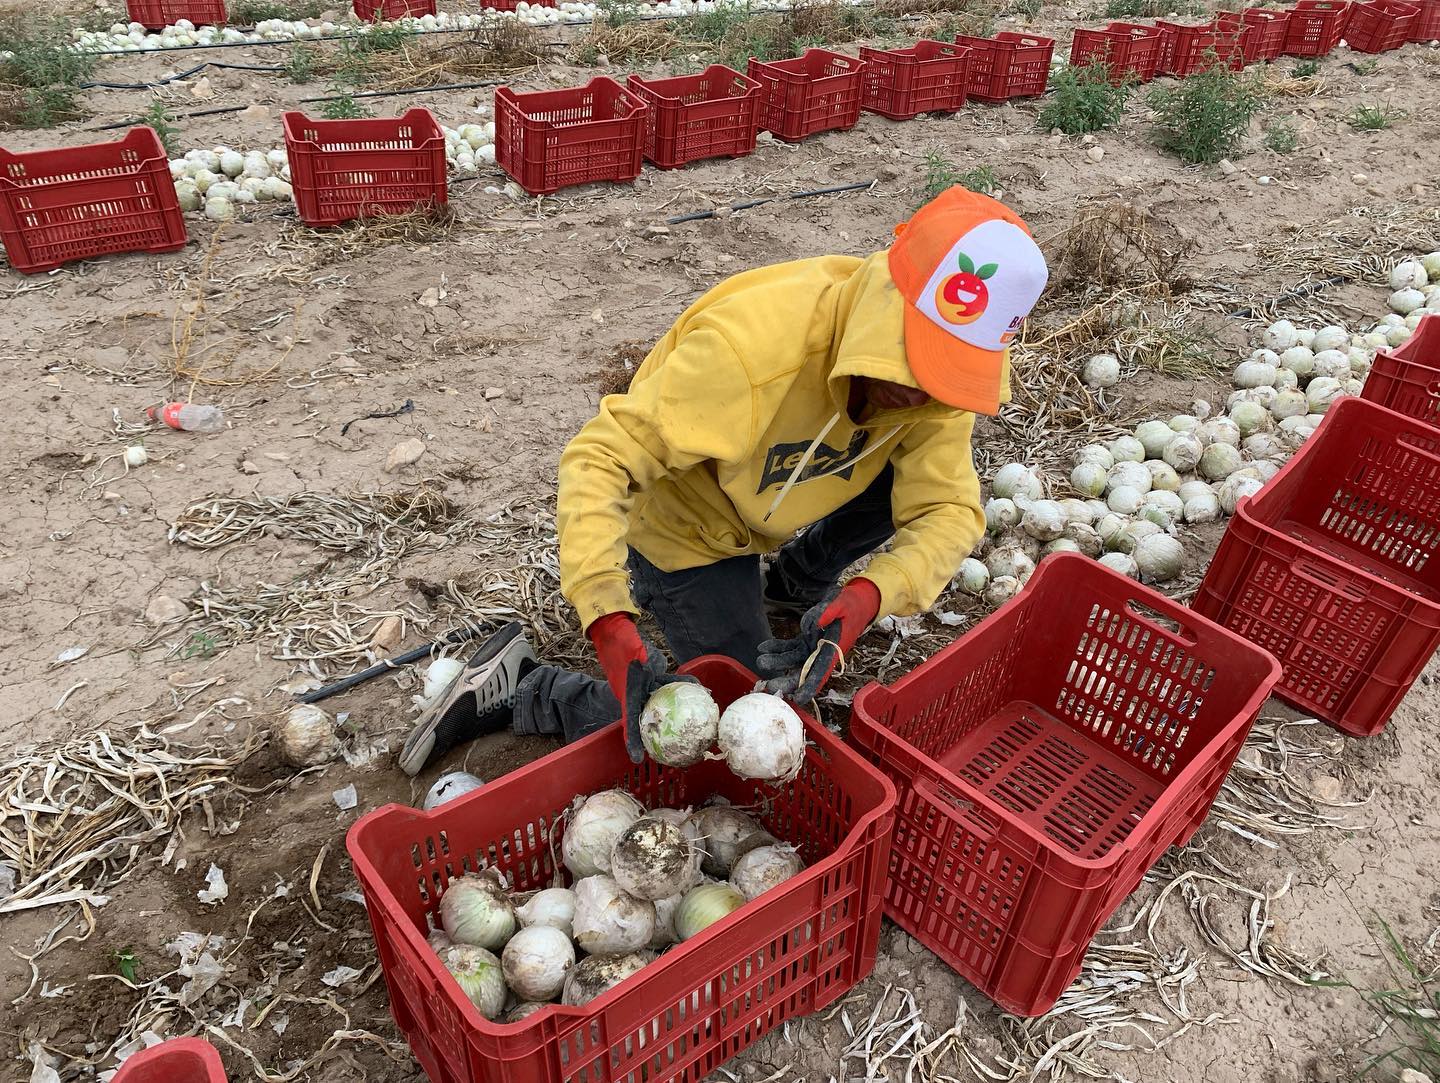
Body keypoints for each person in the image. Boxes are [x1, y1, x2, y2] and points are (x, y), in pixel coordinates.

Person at [399, 187, 1049, 776]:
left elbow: (949, 508)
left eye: (939, 373)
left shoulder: (932, 396)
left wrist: (871, 596)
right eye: (907, 357)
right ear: (884, 294)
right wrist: (605, 618)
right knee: (730, 725)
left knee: (907, 480)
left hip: (770, 498)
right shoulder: (751, 350)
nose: (913, 391)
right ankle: (527, 687)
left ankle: (796, 587)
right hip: (689, 525)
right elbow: (598, 460)